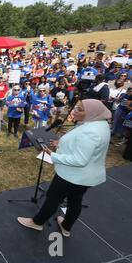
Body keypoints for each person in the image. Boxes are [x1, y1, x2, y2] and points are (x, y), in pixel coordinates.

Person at [18, 99, 112, 237]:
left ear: (91, 112)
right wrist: (61, 143)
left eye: (80, 109)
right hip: (85, 177)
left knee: (52, 198)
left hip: (73, 176)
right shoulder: (99, 123)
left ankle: (37, 223)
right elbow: (83, 146)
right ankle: (66, 227)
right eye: (76, 108)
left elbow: (80, 160)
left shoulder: (91, 132)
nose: (74, 111)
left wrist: (53, 155)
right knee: (75, 200)